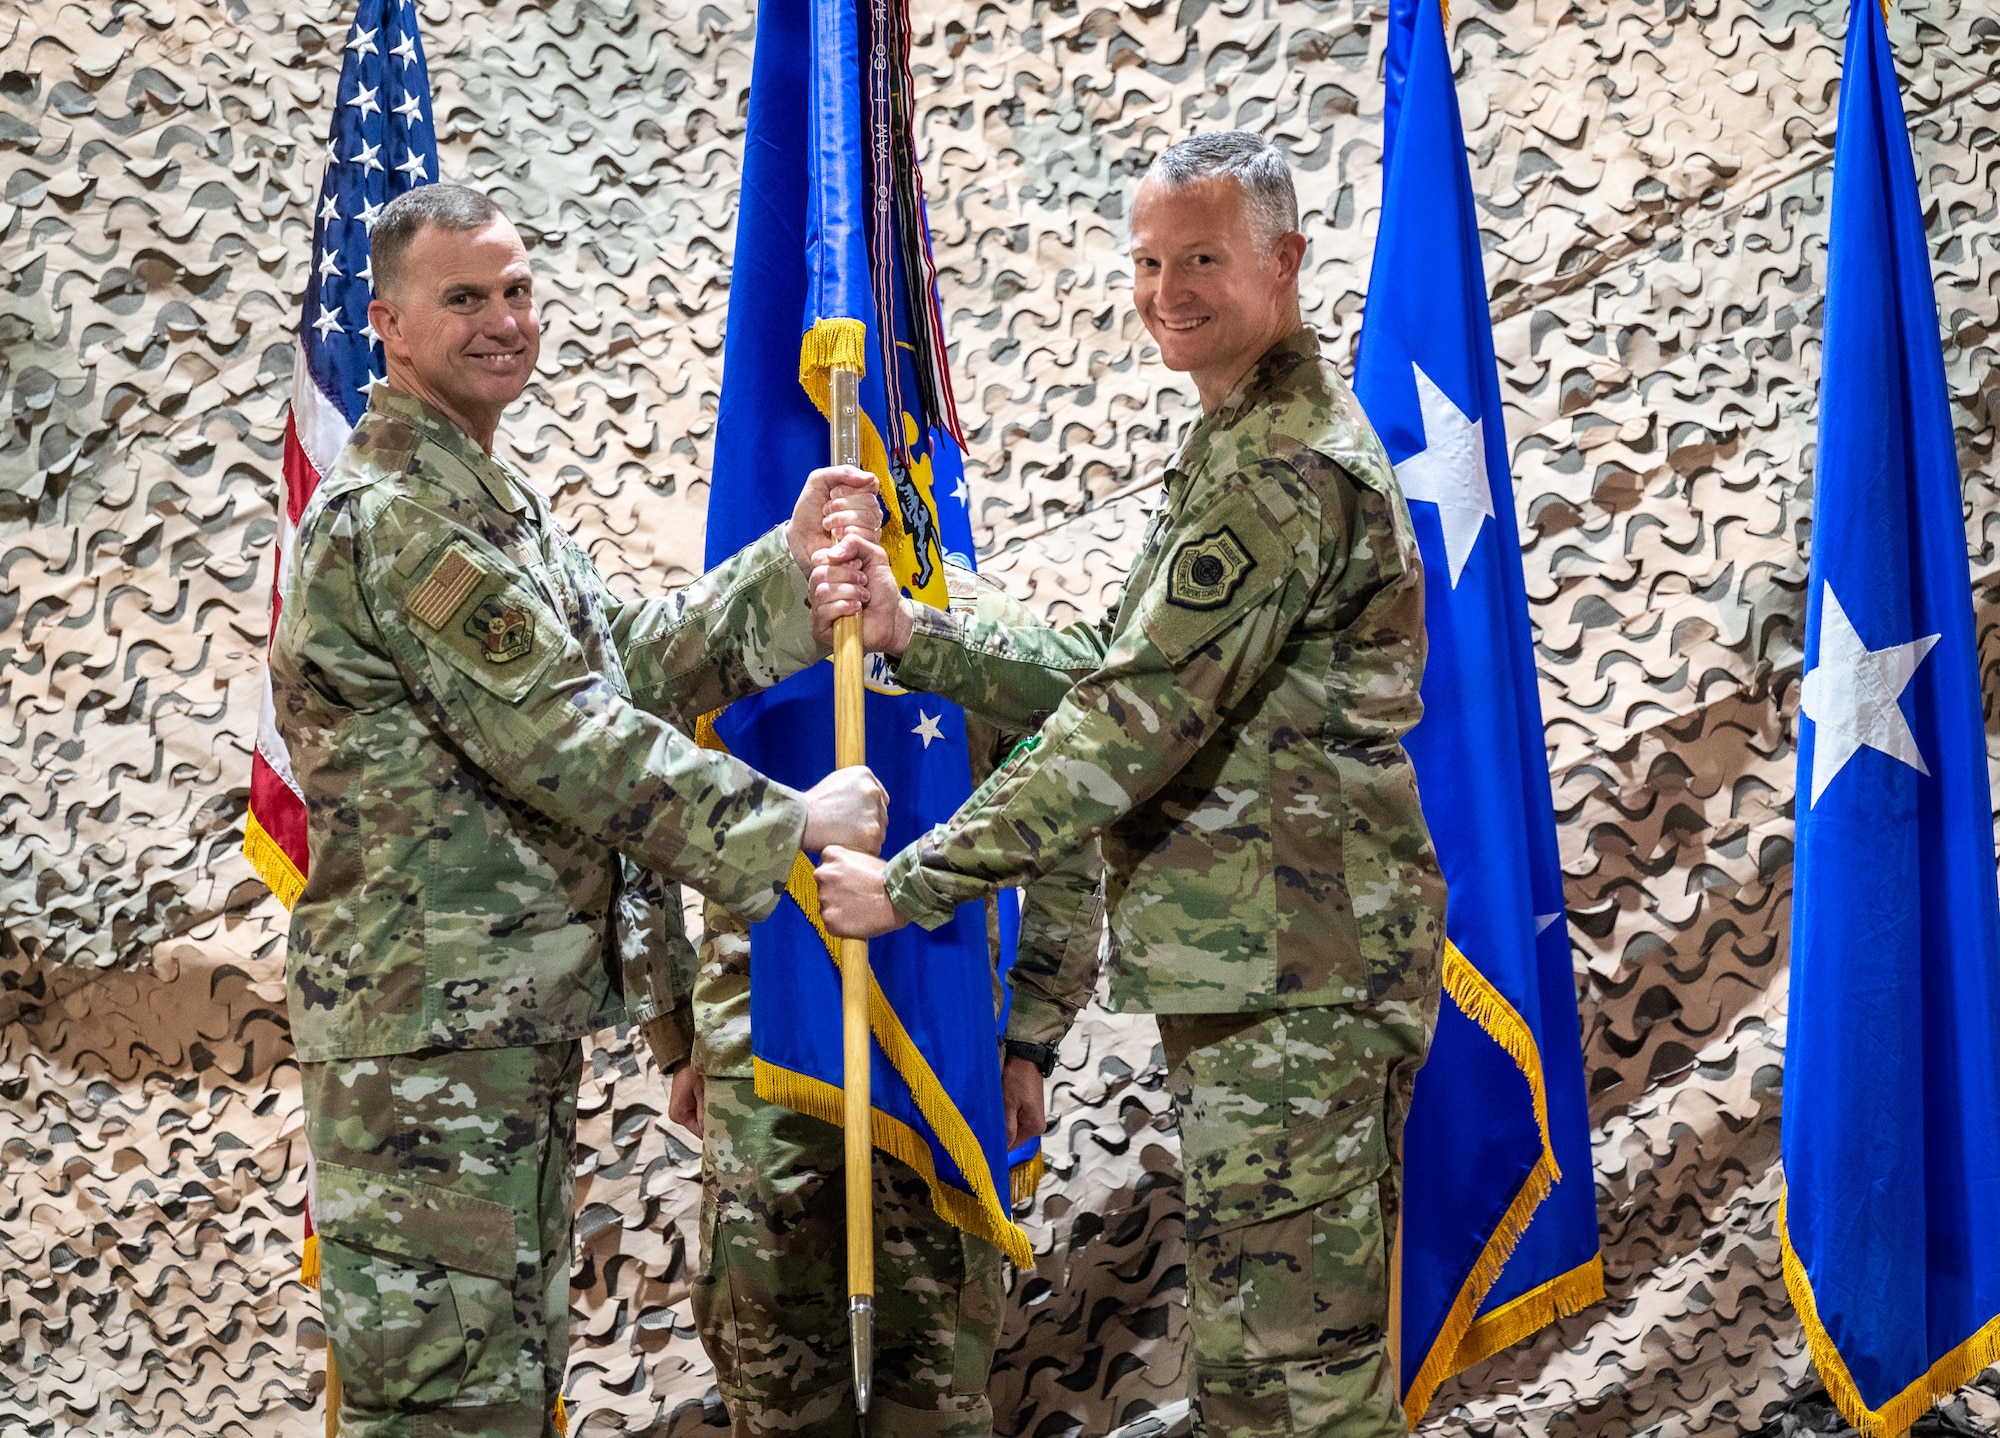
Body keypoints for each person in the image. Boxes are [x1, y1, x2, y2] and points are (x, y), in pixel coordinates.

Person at [809, 132, 1447, 1438]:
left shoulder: (1283, 469)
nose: (1167, 292)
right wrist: (913, 635)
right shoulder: (1237, 444)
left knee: (1300, 1391)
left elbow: (1128, 721)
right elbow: (1117, 669)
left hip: (1298, 977)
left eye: (1201, 258)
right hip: (1267, 973)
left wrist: (916, 884)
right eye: (1148, 261)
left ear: (1285, 261)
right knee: (1259, 1373)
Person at [272, 182, 888, 1438]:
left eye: (516, 291)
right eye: (464, 299)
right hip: (428, 1046)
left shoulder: (489, 507)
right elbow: (565, 735)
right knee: (448, 1408)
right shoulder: (396, 522)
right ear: (385, 323)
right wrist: (790, 824)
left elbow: (620, 664)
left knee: (503, 1384)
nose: (504, 320)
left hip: (488, 1032)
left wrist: (784, 573)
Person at [672, 562, 1104, 1438]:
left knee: (935, 1404)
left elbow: (1073, 813)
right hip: (763, 1080)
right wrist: (670, 1036)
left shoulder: (975, 629)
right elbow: (635, 811)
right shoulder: (731, 616)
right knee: (779, 1403)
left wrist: (1031, 1037)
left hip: (938, 1069)